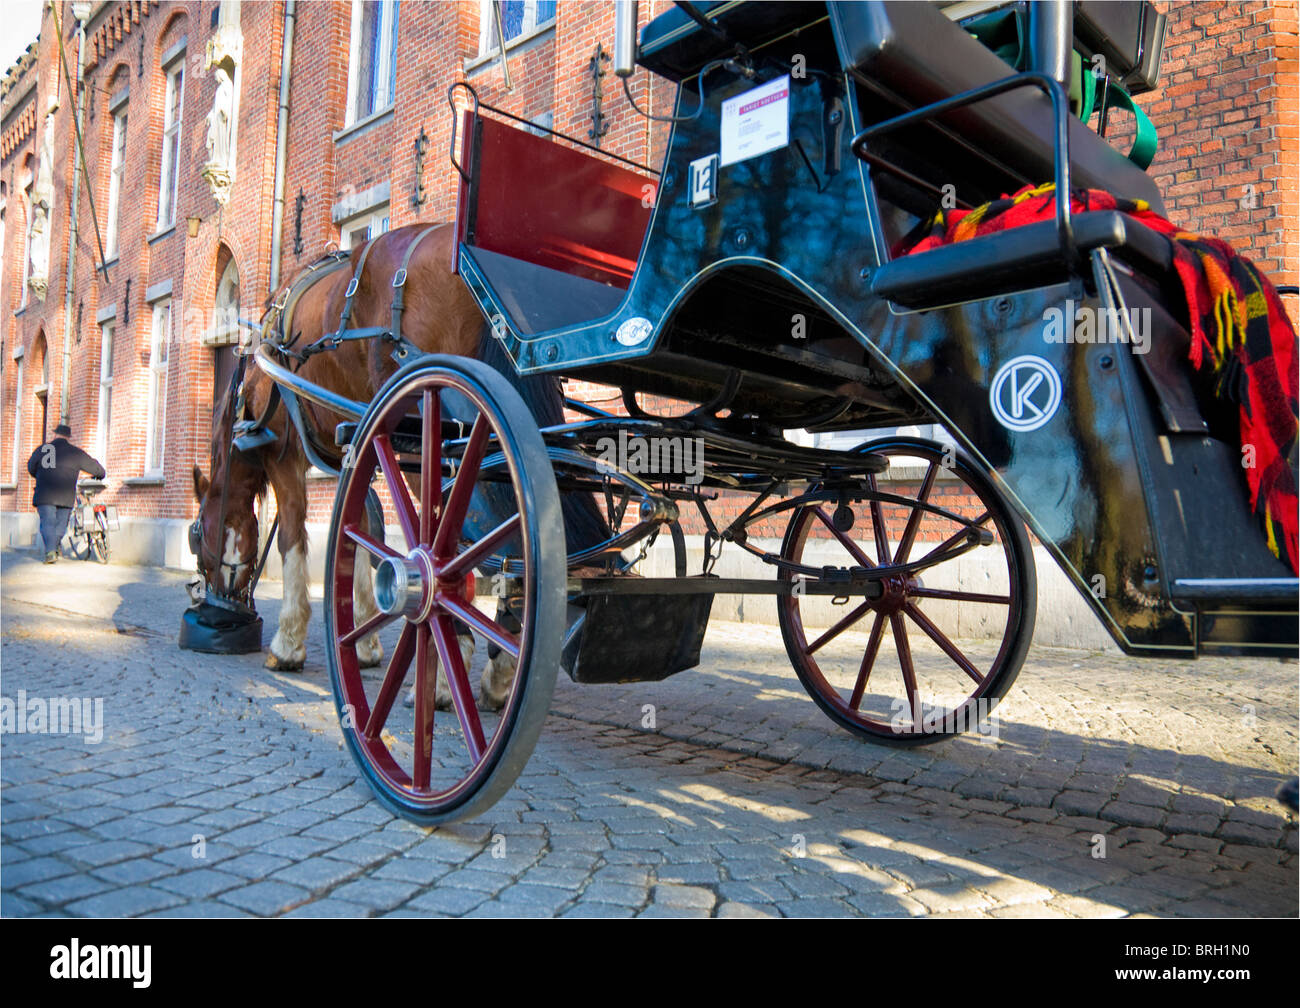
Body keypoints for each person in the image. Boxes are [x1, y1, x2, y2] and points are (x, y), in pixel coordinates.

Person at [27, 423, 107, 563]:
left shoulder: (43, 449)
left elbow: (31, 467)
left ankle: (51, 551)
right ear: (68, 437)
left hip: (45, 494)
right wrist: (100, 475)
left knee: (47, 523)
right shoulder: (75, 452)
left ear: (55, 434)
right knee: (61, 524)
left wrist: (41, 475)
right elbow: (96, 469)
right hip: (65, 495)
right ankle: (53, 548)